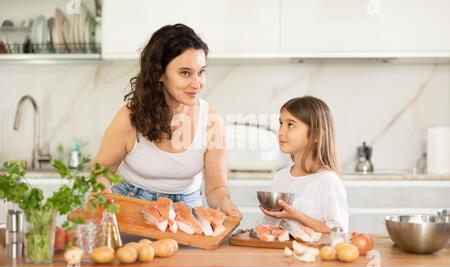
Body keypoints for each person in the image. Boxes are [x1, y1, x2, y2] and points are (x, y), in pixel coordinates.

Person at [93, 24, 241, 218]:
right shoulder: (130, 118)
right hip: (130, 205)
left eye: (201, 71)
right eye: (185, 73)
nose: (197, 83)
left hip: (187, 211)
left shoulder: (211, 121)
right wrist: (102, 192)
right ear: (160, 74)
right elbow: (102, 169)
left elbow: (216, 187)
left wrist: (223, 202)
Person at [260, 96, 349, 233]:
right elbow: (271, 227)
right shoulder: (280, 177)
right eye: (281, 123)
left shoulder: (327, 180)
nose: (281, 131)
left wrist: (296, 215)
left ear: (316, 136)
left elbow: (339, 231)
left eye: (290, 125)